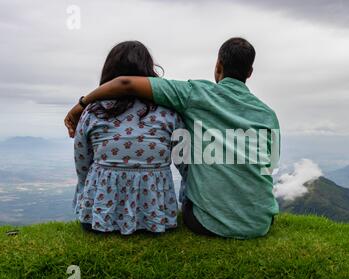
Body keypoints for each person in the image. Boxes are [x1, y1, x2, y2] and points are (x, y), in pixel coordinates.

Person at [65, 37, 280, 239]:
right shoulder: (268, 115)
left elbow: (125, 85)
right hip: (258, 224)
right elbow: (270, 164)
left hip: (201, 223)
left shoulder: (193, 94)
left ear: (218, 66)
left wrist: (81, 105)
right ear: (250, 72)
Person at [73, 41, 183, 235]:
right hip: (155, 218)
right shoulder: (169, 113)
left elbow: (82, 162)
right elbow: (185, 164)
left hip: (98, 218)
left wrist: (85, 190)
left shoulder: (92, 112)